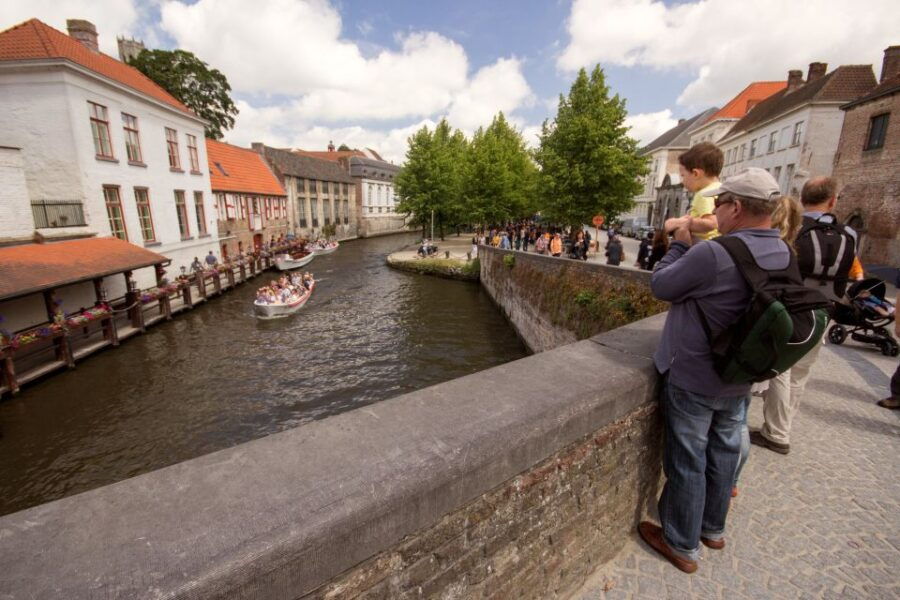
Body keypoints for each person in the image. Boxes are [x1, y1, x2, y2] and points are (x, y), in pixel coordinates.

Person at [639, 167, 787, 574]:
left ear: (736, 207)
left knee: (688, 459)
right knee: (724, 452)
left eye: (719, 203)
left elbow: (661, 286)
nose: (715, 211)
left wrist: (680, 245)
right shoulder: (783, 252)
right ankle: (713, 529)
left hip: (696, 372)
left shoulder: (715, 253)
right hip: (740, 372)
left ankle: (681, 543)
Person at [752, 176, 856, 455]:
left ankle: (776, 432)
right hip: (825, 309)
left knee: (781, 368)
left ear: (802, 198)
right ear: (832, 201)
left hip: (792, 306)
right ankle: (783, 426)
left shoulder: (794, 228)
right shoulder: (848, 234)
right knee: (801, 371)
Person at [664, 142, 723, 244]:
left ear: (695, 174)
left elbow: (712, 223)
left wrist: (680, 222)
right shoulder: (721, 189)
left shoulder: (704, 194)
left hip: (702, 244)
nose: (682, 181)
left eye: (683, 175)